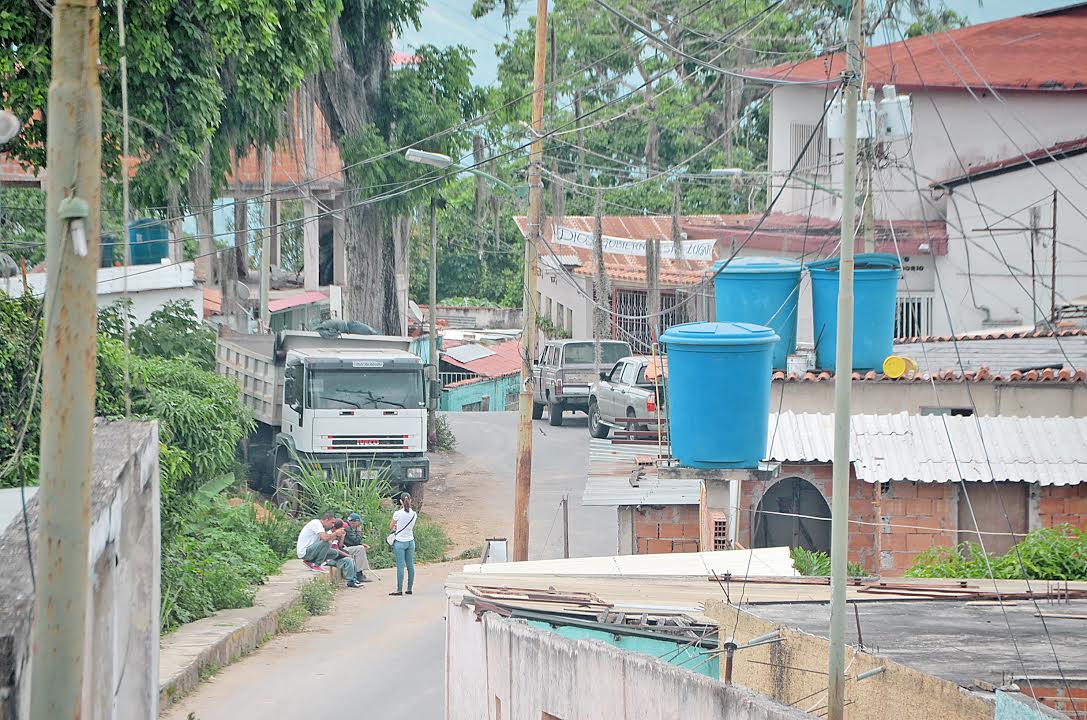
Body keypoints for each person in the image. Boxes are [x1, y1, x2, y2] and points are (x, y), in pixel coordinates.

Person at [296, 511, 362, 588]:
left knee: (334, 553)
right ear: (327, 520)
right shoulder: (316, 523)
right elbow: (325, 539)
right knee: (327, 543)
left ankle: (310, 561)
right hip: (305, 551)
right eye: (332, 522)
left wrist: (340, 536)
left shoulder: (321, 527)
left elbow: (332, 544)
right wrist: (335, 533)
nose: (332, 525)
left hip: (311, 551)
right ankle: (317, 565)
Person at [388, 493, 417, 596]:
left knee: (400, 566)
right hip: (410, 541)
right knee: (410, 565)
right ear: (411, 500)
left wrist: (396, 527)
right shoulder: (414, 514)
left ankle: (399, 589)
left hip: (400, 542)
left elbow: (391, 526)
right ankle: (409, 588)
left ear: (401, 501)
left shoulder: (397, 513)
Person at [342, 512, 373, 582]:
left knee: (360, 548)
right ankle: (359, 574)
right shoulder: (347, 528)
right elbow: (355, 541)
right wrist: (359, 531)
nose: (359, 525)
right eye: (359, 522)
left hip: (344, 547)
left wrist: (361, 544)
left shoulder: (348, 527)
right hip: (341, 549)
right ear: (354, 522)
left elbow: (351, 542)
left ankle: (359, 573)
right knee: (360, 549)